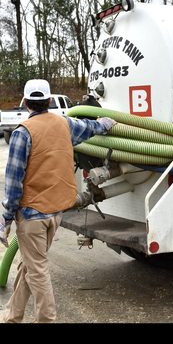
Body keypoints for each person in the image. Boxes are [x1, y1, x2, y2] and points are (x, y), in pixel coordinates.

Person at [0, 79, 116, 323]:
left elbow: (13, 181)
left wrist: (6, 219)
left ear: (26, 102)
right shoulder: (65, 124)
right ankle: (12, 314)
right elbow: (91, 127)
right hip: (56, 213)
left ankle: (47, 319)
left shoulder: (23, 133)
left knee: (37, 270)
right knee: (30, 265)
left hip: (32, 216)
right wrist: (106, 123)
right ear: (50, 101)